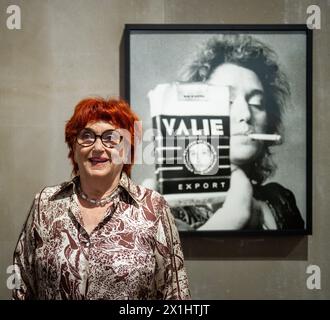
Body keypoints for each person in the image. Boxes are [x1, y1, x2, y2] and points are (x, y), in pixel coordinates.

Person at [12, 97, 191, 300]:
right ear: (74, 147)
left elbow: (175, 293)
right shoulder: (45, 203)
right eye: (87, 137)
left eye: (111, 138)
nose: (98, 148)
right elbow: (21, 284)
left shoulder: (152, 207)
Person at [171, 34, 305, 231]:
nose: (245, 114)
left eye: (256, 103)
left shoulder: (280, 201)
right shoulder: (167, 207)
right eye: (227, 100)